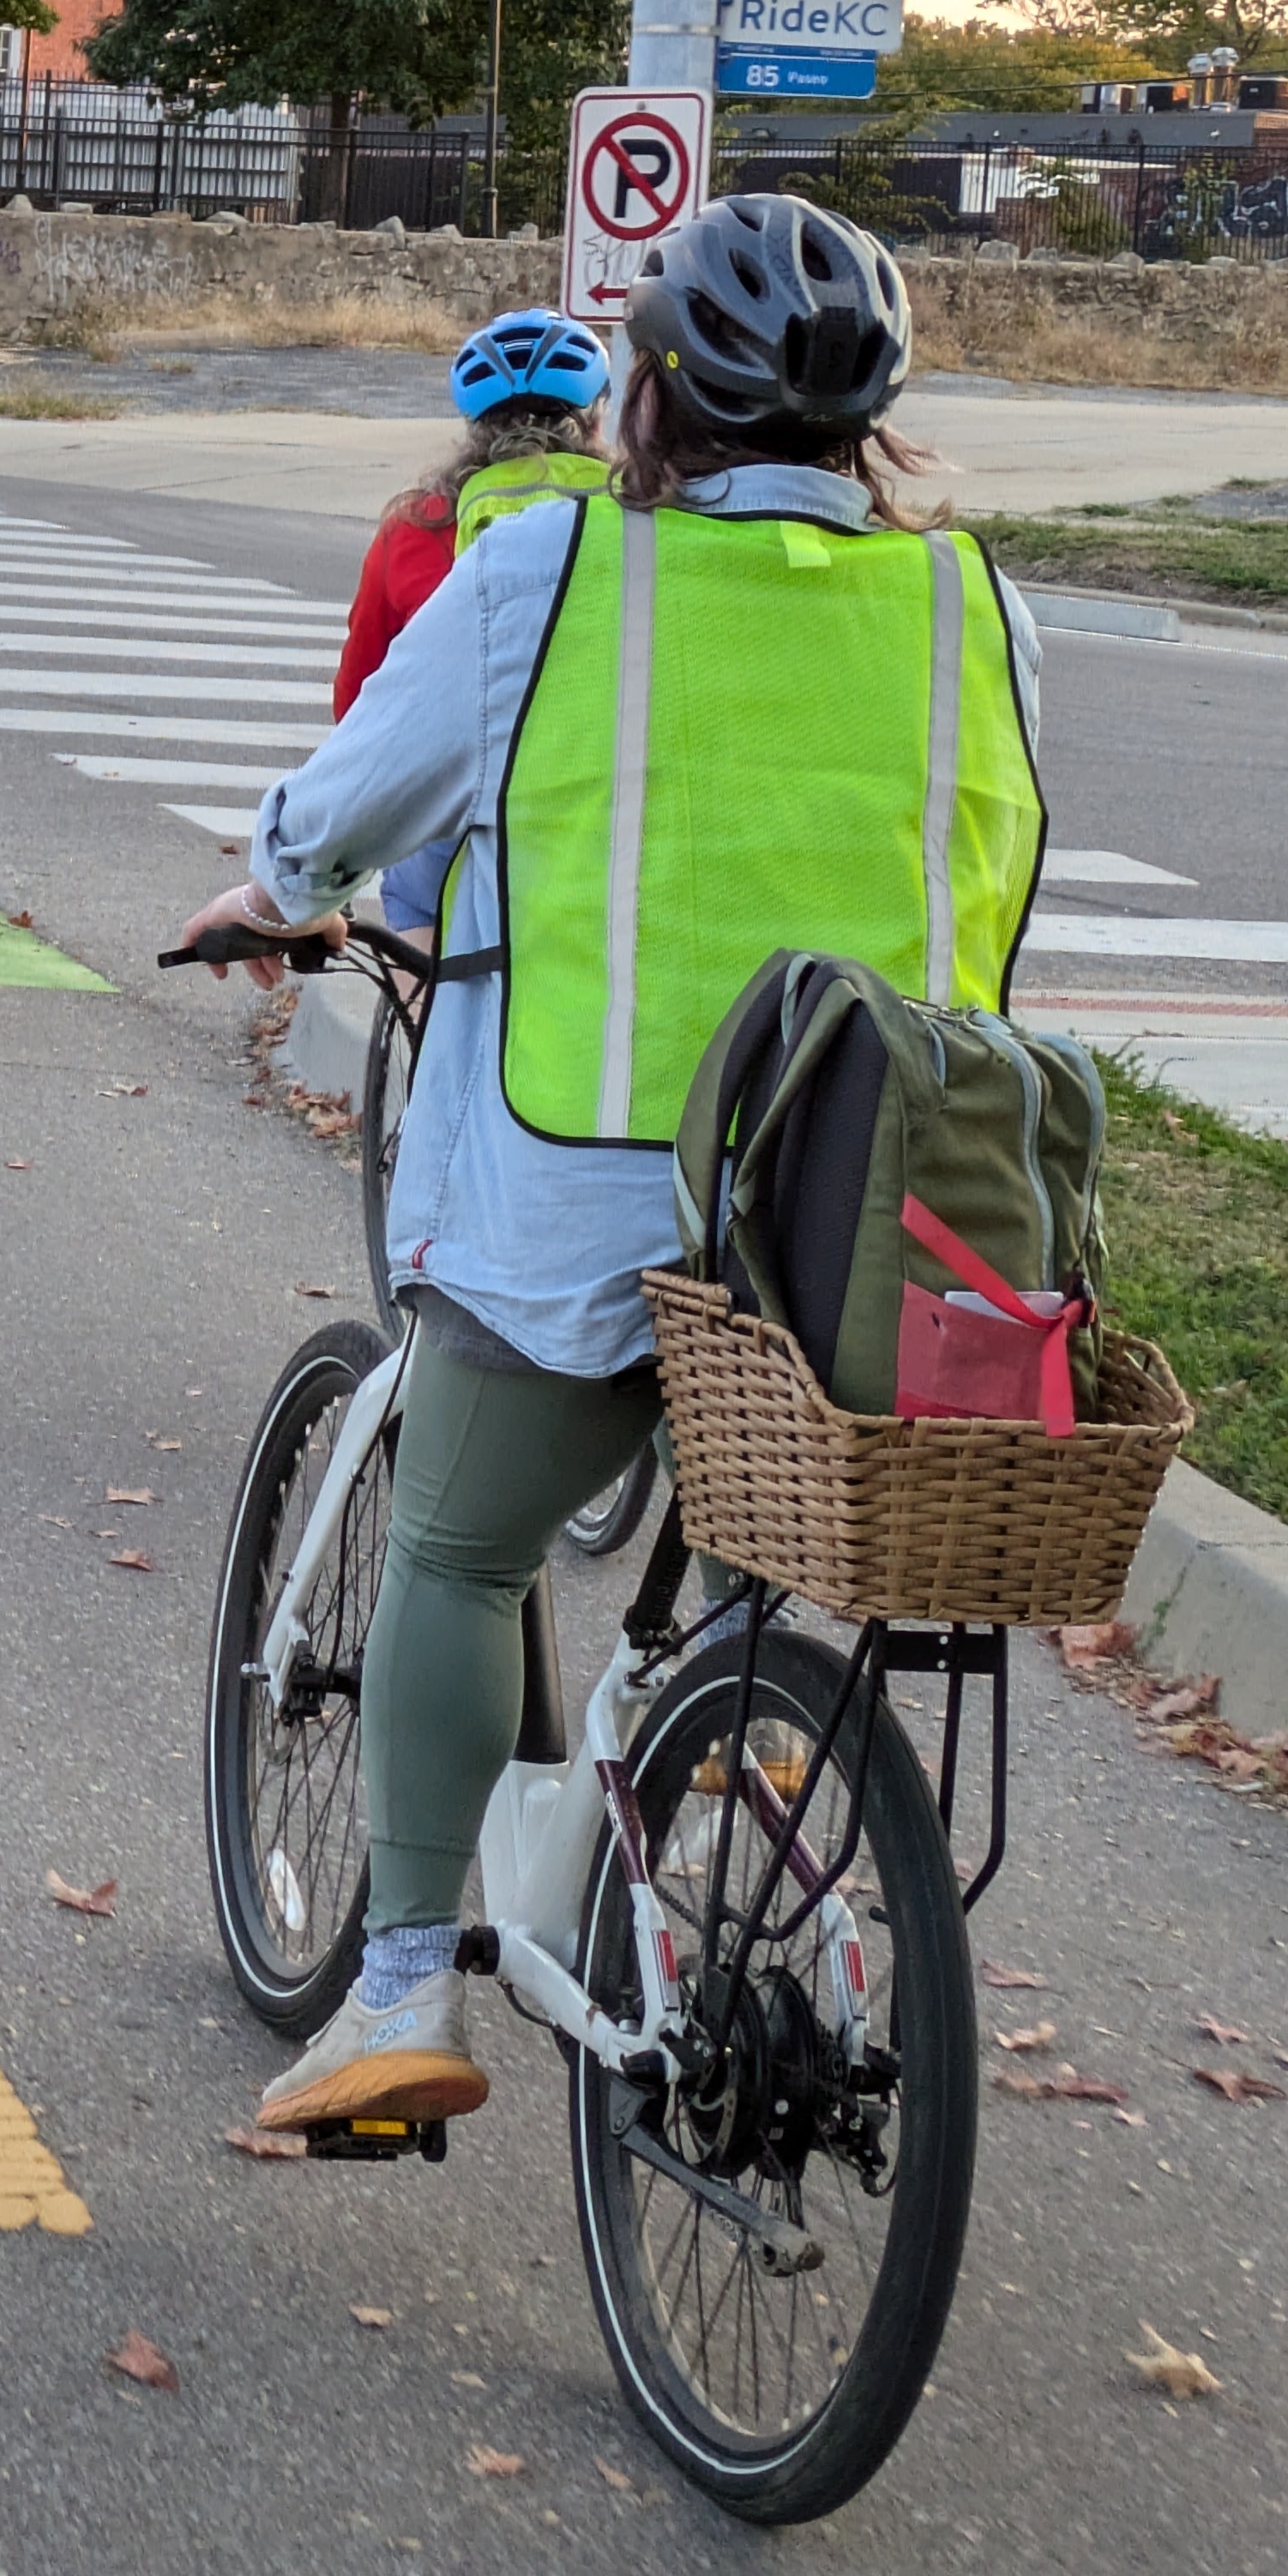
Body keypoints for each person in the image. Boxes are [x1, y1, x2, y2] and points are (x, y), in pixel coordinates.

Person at [172, 195, 1049, 2137]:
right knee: (749, 1574)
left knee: (457, 1549)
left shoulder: (548, 573)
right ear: (863, 439)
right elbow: (990, 892)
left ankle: (401, 1987)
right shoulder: (972, 610)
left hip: (580, 1211)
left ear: (646, 401)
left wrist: (277, 886)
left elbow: (339, 810)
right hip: (856, 1237)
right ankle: (757, 1818)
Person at [335, 310, 613, 936]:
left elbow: (359, 702)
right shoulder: (641, 519)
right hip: (594, 803)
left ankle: (427, 1019)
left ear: (472, 430)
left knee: (413, 904)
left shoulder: (414, 530)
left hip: (454, 800)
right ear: (597, 422)